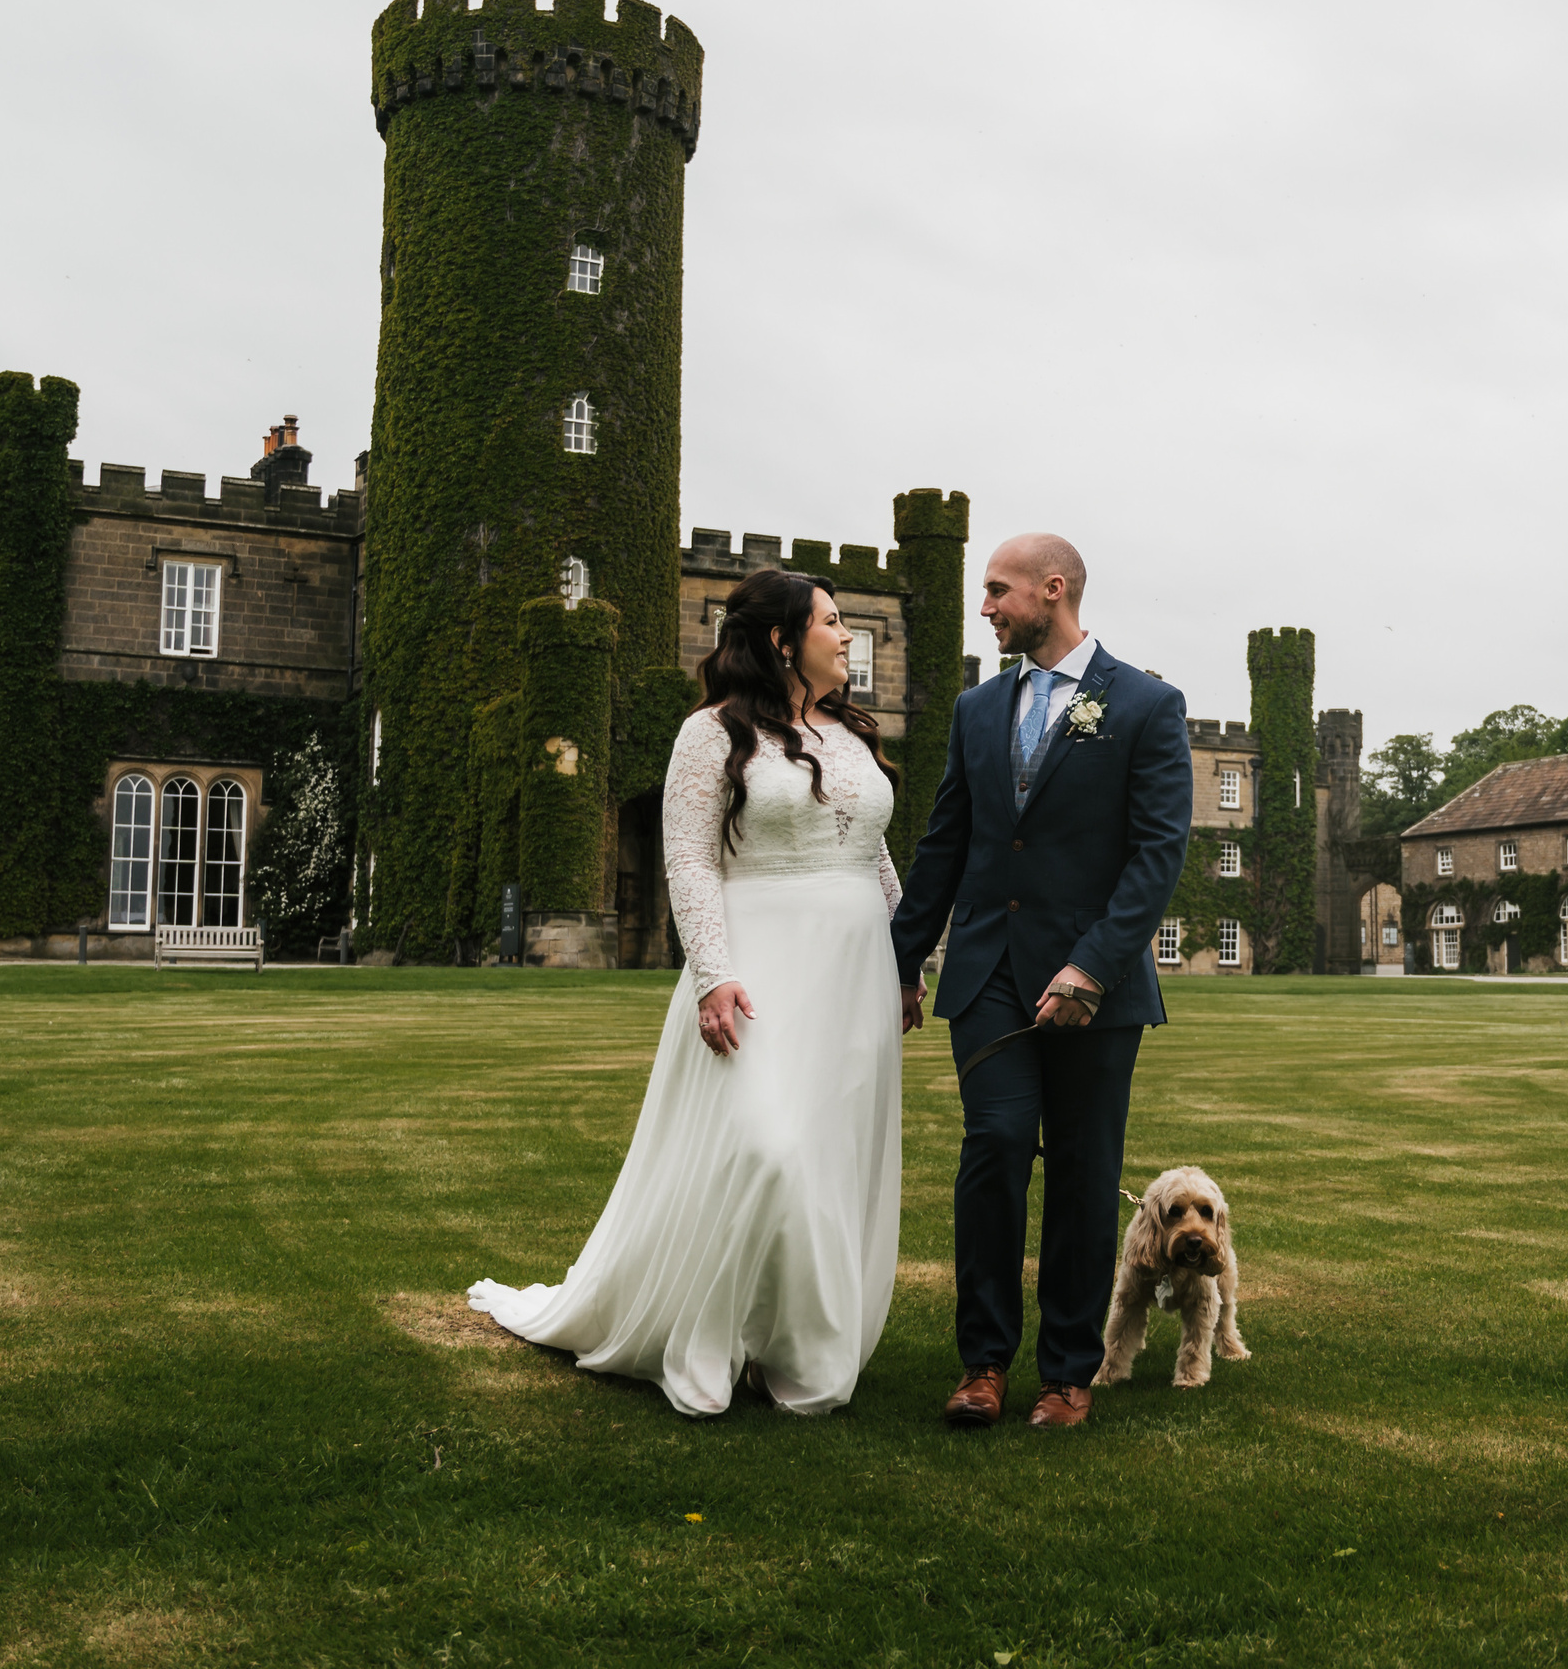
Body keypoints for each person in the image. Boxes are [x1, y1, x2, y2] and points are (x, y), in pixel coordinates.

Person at [468, 570, 923, 1416]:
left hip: (853, 974)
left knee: (824, 1161)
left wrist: (904, 963)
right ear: (785, 641)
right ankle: (706, 1341)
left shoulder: (852, 736)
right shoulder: (709, 734)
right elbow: (688, 858)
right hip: (758, 966)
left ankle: (790, 1349)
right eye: (833, 623)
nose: (848, 639)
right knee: (767, 1148)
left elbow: (871, 850)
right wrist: (713, 975)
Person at [889, 534, 1193, 1429]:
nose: (984, 607)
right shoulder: (977, 709)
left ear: (1051, 591)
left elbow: (1156, 853)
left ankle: (1068, 1373)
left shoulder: (1145, 704)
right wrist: (901, 959)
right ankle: (983, 1364)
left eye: (998, 591)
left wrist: (1092, 965)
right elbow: (947, 842)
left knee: (1084, 1174)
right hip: (986, 972)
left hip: (1095, 987)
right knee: (993, 1150)